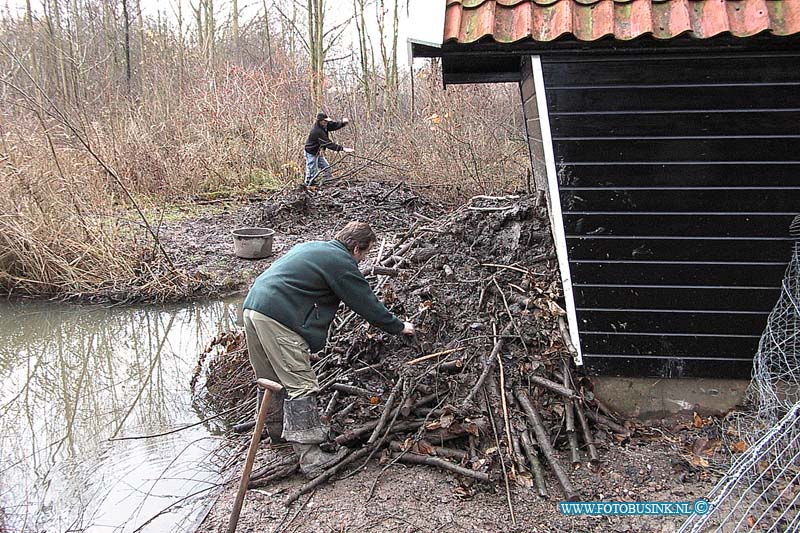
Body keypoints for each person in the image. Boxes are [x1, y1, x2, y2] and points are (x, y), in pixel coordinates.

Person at [242, 221, 415, 478]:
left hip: (253, 308)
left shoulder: (314, 247)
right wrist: (399, 327)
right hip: (278, 317)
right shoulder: (341, 262)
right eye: (364, 253)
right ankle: (312, 458)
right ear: (357, 248)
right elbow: (365, 303)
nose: (362, 259)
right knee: (301, 384)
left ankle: (277, 436)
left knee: (270, 379)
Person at [303, 112, 354, 185]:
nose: (327, 122)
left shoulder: (324, 125)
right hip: (311, 153)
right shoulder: (317, 131)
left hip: (318, 152)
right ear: (320, 121)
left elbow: (333, 125)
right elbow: (328, 144)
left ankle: (327, 183)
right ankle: (308, 186)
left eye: (327, 121)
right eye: (325, 121)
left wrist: (342, 123)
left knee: (326, 168)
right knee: (311, 172)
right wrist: (342, 149)